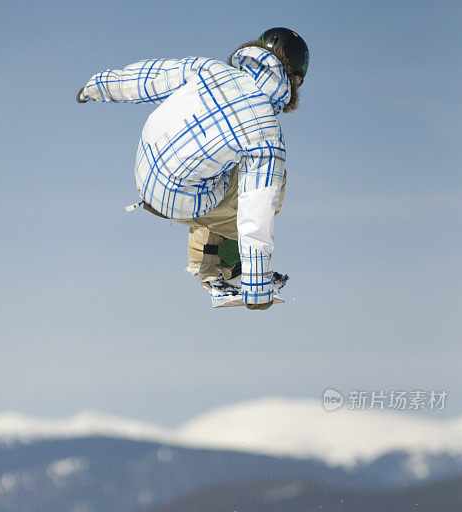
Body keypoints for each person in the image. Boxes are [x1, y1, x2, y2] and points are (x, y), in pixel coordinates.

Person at [76, 27, 309, 310]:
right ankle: (224, 270)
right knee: (270, 184)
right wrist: (258, 288)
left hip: (144, 175)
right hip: (181, 201)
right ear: (294, 79)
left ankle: (210, 260)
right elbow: (256, 212)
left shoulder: (209, 69)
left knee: (219, 164)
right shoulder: (266, 132)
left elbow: (151, 77)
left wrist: (100, 85)